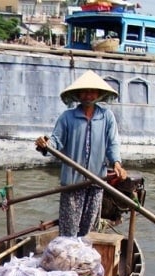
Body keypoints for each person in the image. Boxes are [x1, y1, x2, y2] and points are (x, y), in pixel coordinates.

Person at [35, 70, 127, 238]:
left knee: (89, 232)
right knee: (69, 231)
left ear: (98, 94)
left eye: (92, 91)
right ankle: (68, 261)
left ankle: (84, 262)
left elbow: (113, 143)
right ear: (78, 94)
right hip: (72, 184)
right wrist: (45, 144)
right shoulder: (68, 117)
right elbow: (55, 142)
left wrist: (117, 163)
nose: (88, 95)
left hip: (97, 182)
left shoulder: (107, 117)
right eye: (84, 91)